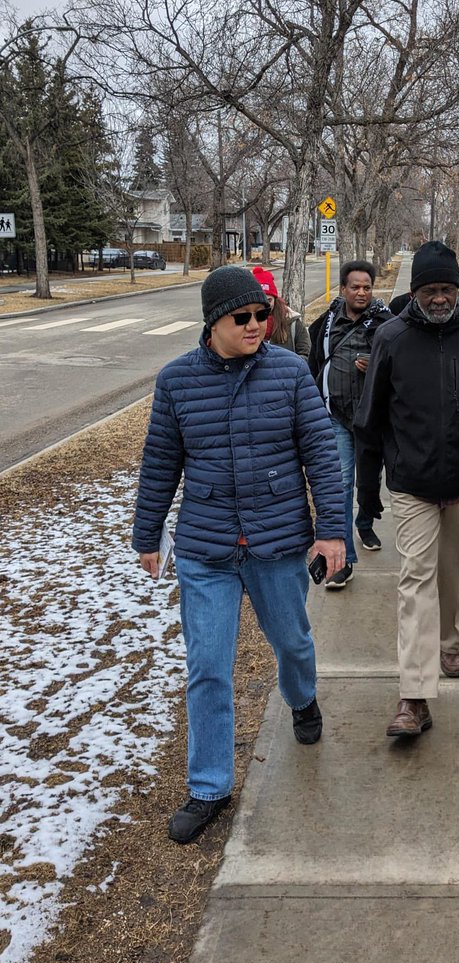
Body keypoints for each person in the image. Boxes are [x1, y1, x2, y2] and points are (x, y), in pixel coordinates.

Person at [132, 265, 346, 844]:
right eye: (243, 317)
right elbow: (160, 464)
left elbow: (323, 457)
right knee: (207, 668)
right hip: (207, 546)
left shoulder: (292, 372)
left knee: (293, 643)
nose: (257, 325)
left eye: (263, 315)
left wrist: (332, 531)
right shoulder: (176, 381)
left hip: (277, 542)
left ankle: (302, 701)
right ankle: (209, 786)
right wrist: (148, 535)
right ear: (213, 321)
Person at [354, 241, 459, 738]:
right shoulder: (391, 338)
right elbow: (370, 420)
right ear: (415, 291)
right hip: (411, 483)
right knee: (414, 580)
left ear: (458, 290)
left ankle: (450, 642)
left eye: (447, 288)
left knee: (454, 570)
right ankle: (414, 694)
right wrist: (367, 495)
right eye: (429, 290)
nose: (438, 298)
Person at [308, 260, 392, 587]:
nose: (361, 292)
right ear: (343, 289)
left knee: (368, 480)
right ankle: (345, 561)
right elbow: (315, 359)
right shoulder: (327, 322)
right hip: (336, 416)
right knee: (341, 482)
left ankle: (365, 522)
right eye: (355, 287)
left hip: (372, 418)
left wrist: (376, 366)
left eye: (367, 287)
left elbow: (400, 363)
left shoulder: (386, 324)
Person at [251, 265, 311, 358]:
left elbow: (306, 354)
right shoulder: (245, 325)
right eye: (260, 301)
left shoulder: (292, 322)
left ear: (275, 299)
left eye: (269, 300)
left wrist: (290, 369)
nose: (265, 305)